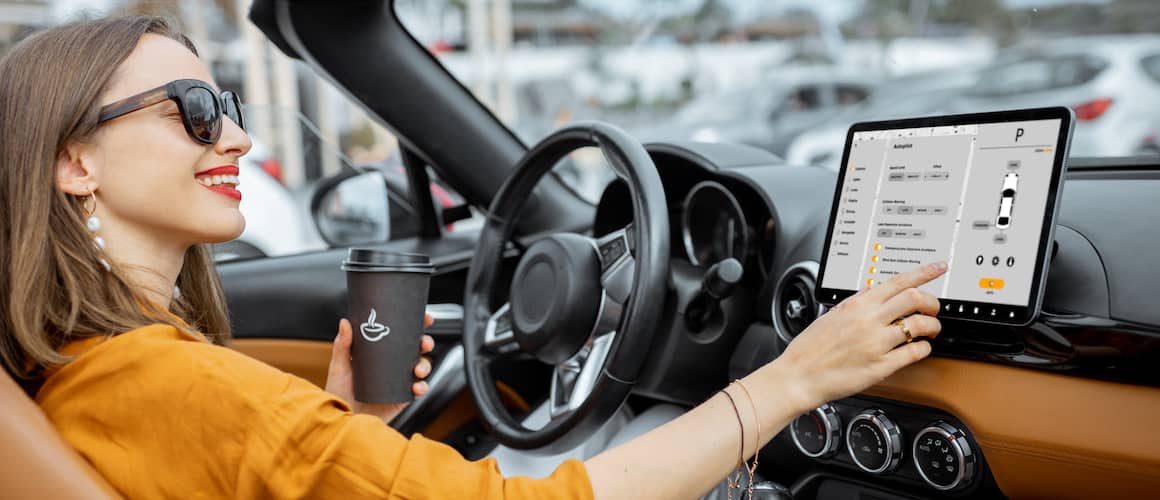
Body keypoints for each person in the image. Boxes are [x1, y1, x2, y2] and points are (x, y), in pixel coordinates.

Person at [0, 16, 946, 499]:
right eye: (196, 114)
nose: (238, 142)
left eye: (233, 111)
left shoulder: (98, 375)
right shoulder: (165, 381)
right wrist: (791, 379)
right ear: (73, 160)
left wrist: (346, 422)